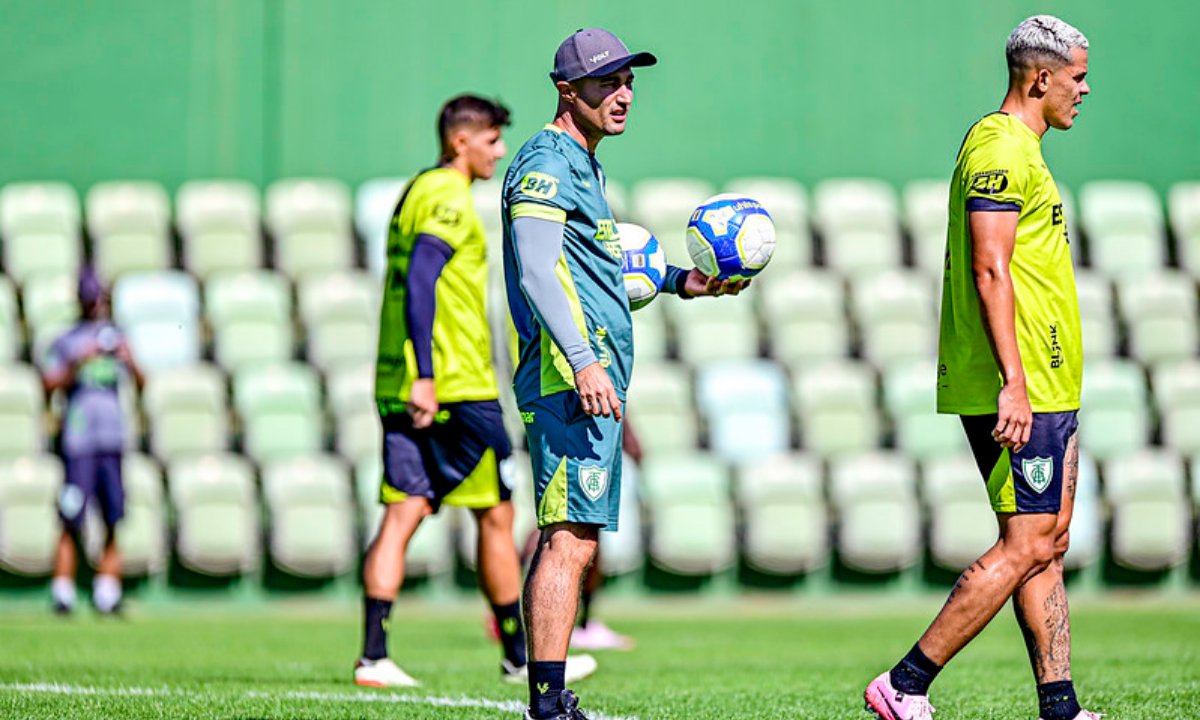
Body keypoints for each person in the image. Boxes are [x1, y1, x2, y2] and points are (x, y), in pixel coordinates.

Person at [502, 28, 748, 720]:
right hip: (565, 377)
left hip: (588, 375)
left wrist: (680, 281)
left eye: (629, 80)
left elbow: (603, 265)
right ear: (566, 90)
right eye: (606, 82)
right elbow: (537, 268)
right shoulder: (546, 163)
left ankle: (549, 694)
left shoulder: (585, 164)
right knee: (568, 541)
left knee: (572, 541)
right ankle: (547, 702)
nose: (623, 94)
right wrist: (582, 361)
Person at [863, 16, 1097, 720]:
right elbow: (989, 268)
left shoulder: (1025, 148)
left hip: (1049, 380)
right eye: (1079, 78)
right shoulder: (999, 147)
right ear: (1041, 78)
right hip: (1018, 382)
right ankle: (905, 682)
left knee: (1046, 544)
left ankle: (1059, 706)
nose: (1085, 91)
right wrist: (1014, 381)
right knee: (1026, 540)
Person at [356, 94, 595, 689]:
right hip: (454, 384)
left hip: (400, 379)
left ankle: (373, 655)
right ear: (461, 141)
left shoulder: (415, 191)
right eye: (491, 140)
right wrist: (429, 377)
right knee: (498, 512)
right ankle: (518, 657)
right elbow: (420, 281)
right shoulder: (447, 196)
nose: (500, 151)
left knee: (404, 509)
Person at [44, 267, 144, 615]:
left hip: (111, 441)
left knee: (113, 516)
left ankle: (107, 591)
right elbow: (49, 383)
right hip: (79, 442)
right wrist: (78, 361)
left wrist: (128, 359)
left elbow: (142, 381)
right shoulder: (67, 340)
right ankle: (63, 591)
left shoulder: (116, 338)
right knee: (71, 515)